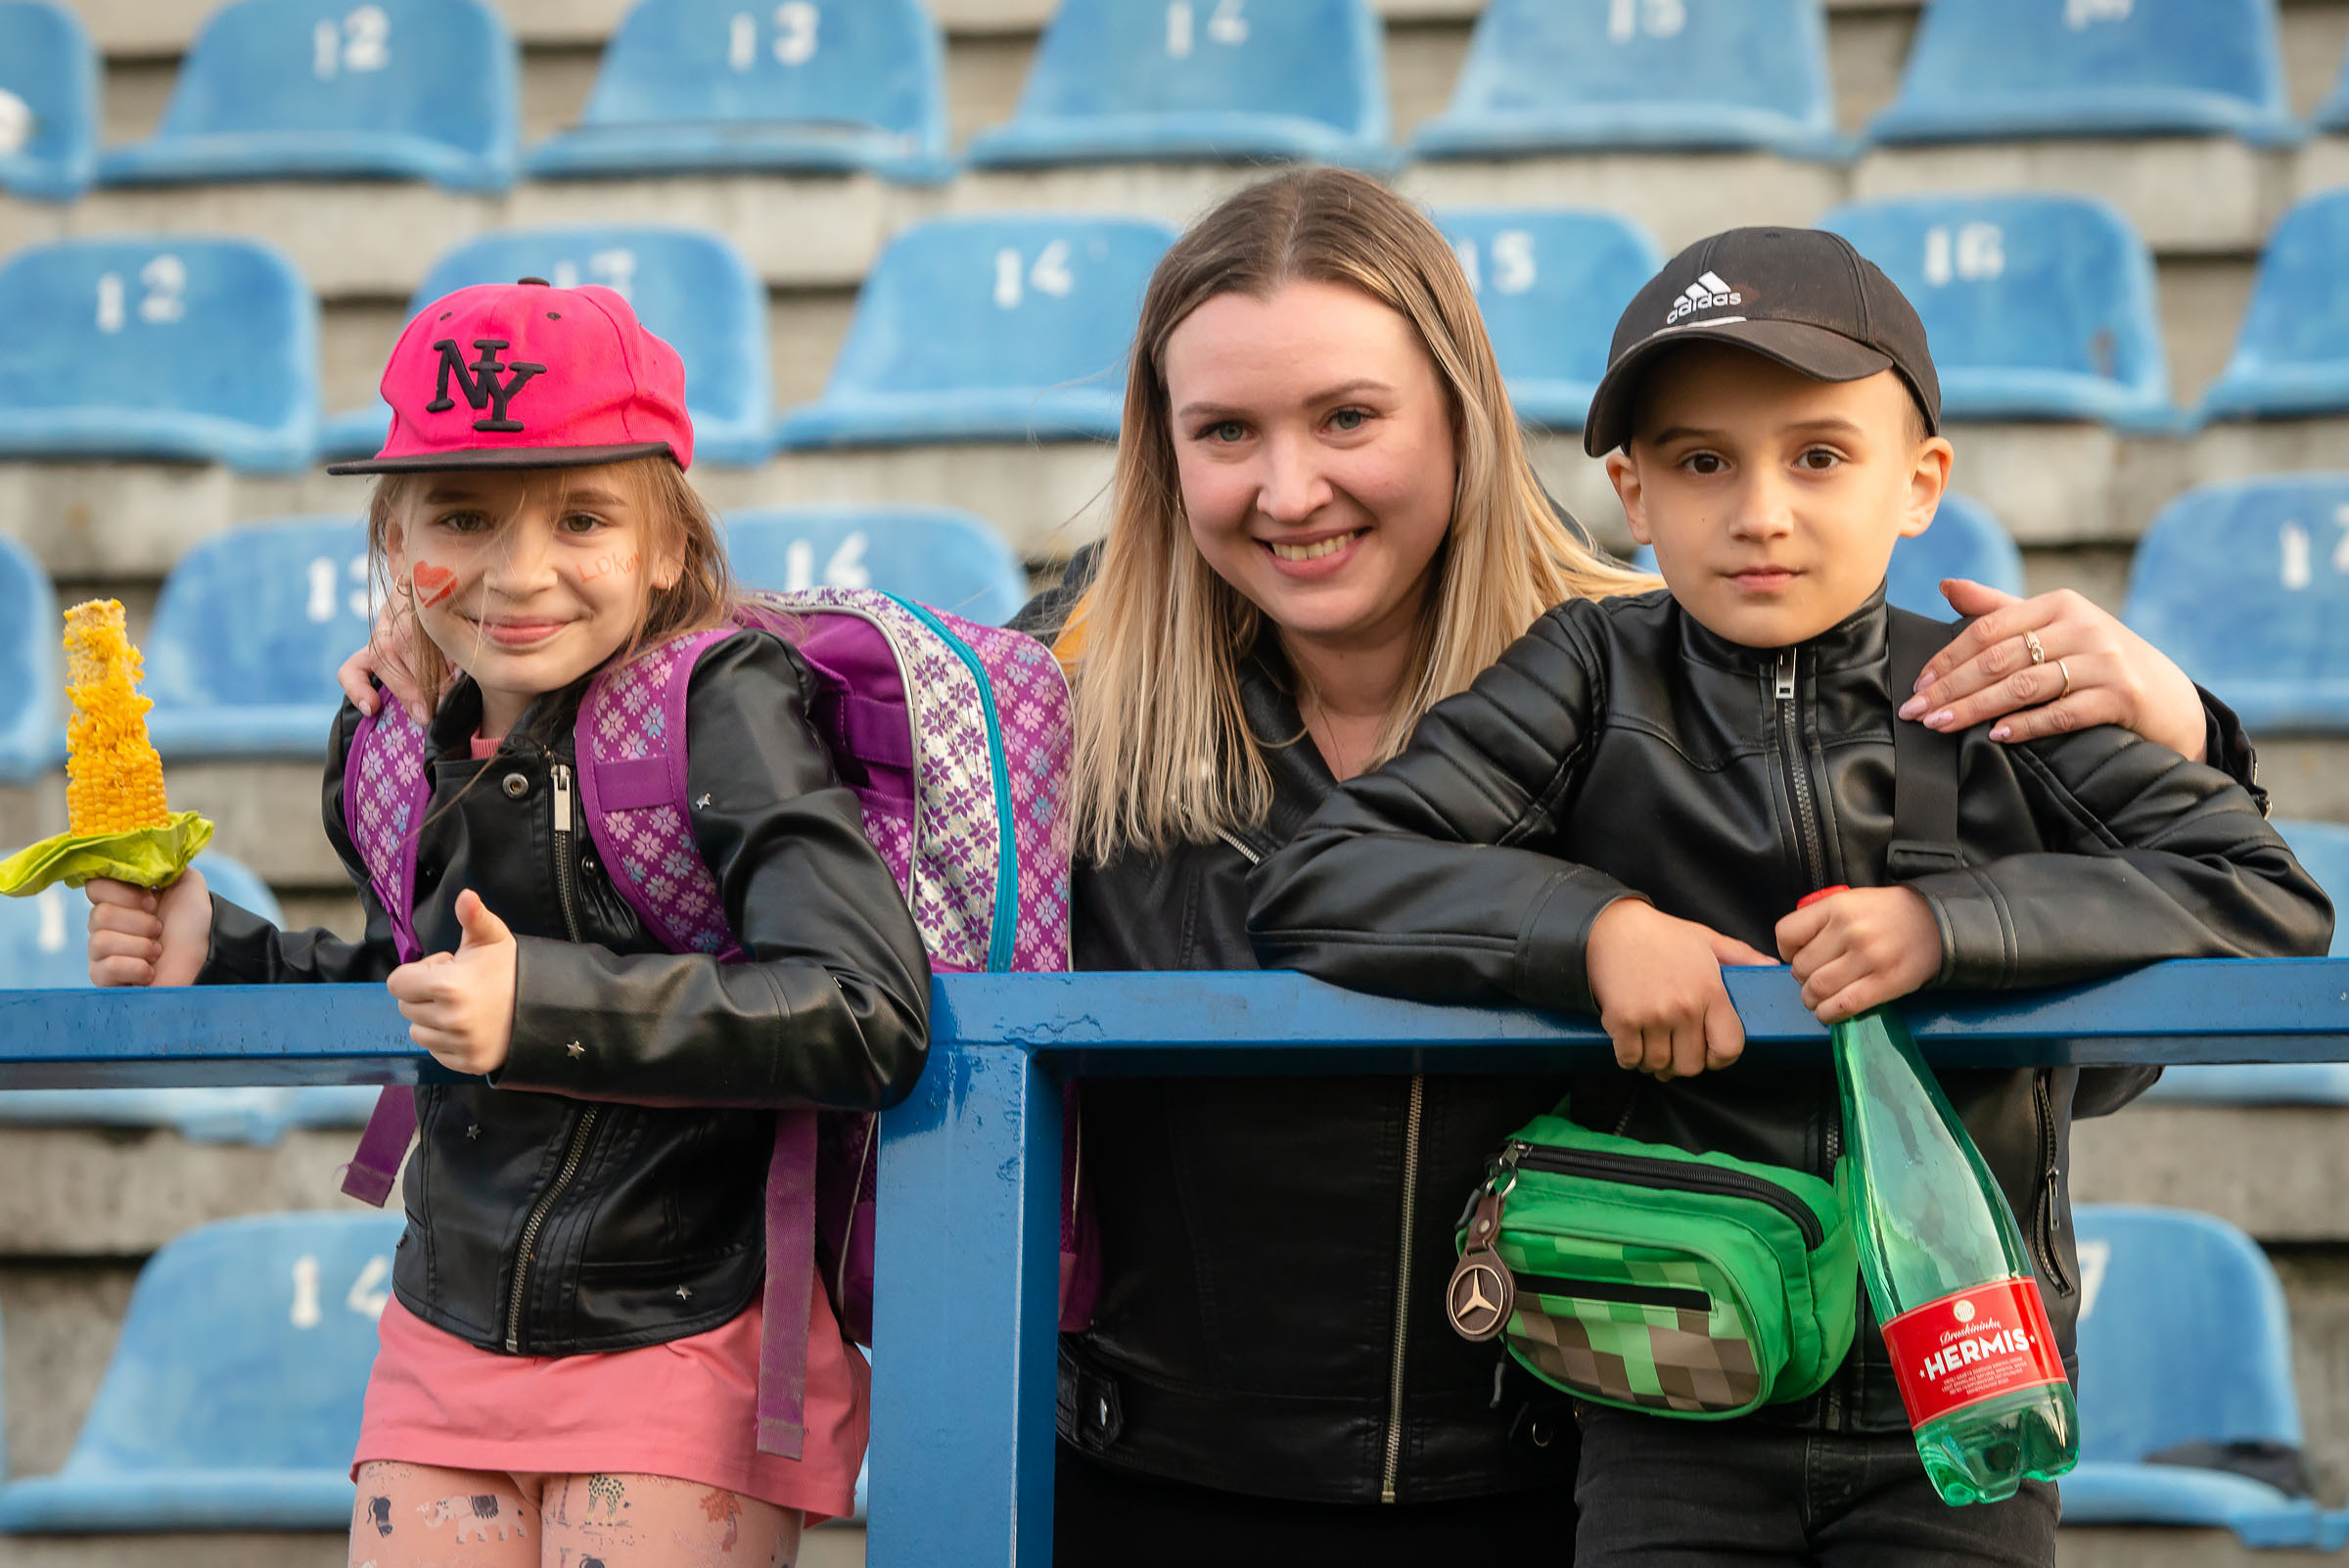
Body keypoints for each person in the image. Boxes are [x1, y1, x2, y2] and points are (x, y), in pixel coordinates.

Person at [1012, 173, 2274, 1565]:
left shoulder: (1664, 670)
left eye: (1350, 417)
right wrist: (1591, 922)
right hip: (1162, 1474)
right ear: (1164, 448)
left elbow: (2087, 1053)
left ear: (1462, 416)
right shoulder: (1060, 694)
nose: (1290, 485)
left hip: (1569, 1465)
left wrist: (2174, 744)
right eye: (1225, 431)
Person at [87, 278, 932, 1568]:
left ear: (665, 545)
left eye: (584, 516)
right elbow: (427, 982)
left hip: (686, 1327)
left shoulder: (725, 708)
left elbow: (862, 1009)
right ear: (392, 533)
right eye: (464, 516)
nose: (516, 571)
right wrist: (229, 951)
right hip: (444, 1329)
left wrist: (541, 1008)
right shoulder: (399, 739)